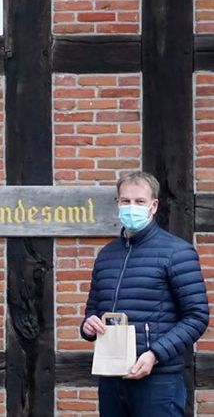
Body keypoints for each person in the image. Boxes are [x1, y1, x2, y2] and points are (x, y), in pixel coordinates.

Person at [81, 171, 209, 417]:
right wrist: (88, 325)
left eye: (139, 201)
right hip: (111, 378)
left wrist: (155, 354)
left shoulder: (177, 252)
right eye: (125, 201)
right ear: (117, 204)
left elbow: (197, 316)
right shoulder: (106, 255)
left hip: (157, 381)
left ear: (153, 206)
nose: (131, 207)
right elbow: (93, 309)